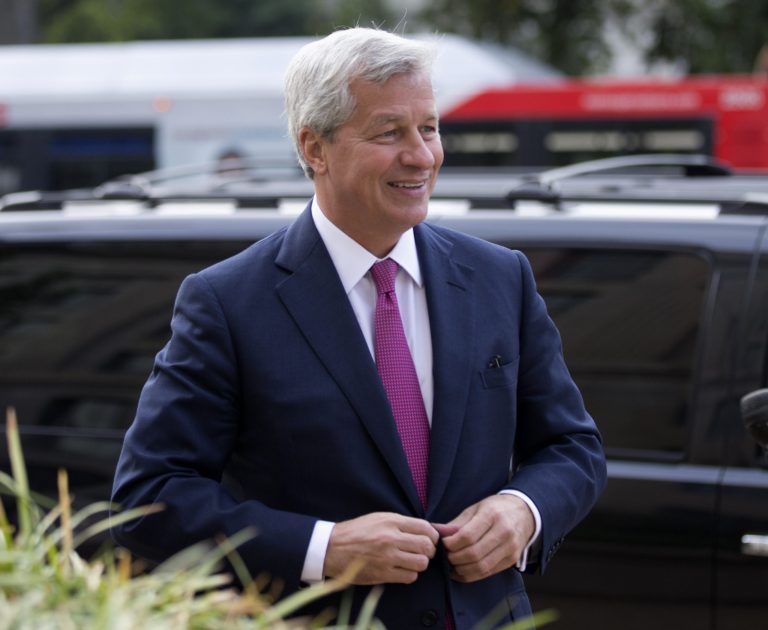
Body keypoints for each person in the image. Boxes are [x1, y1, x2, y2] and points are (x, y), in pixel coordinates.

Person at [111, 27, 606, 629]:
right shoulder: (227, 302)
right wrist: (324, 549)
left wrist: (524, 511)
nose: (422, 155)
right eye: (389, 132)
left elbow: (572, 447)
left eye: (429, 127)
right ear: (314, 148)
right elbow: (149, 498)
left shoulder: (499, 277)